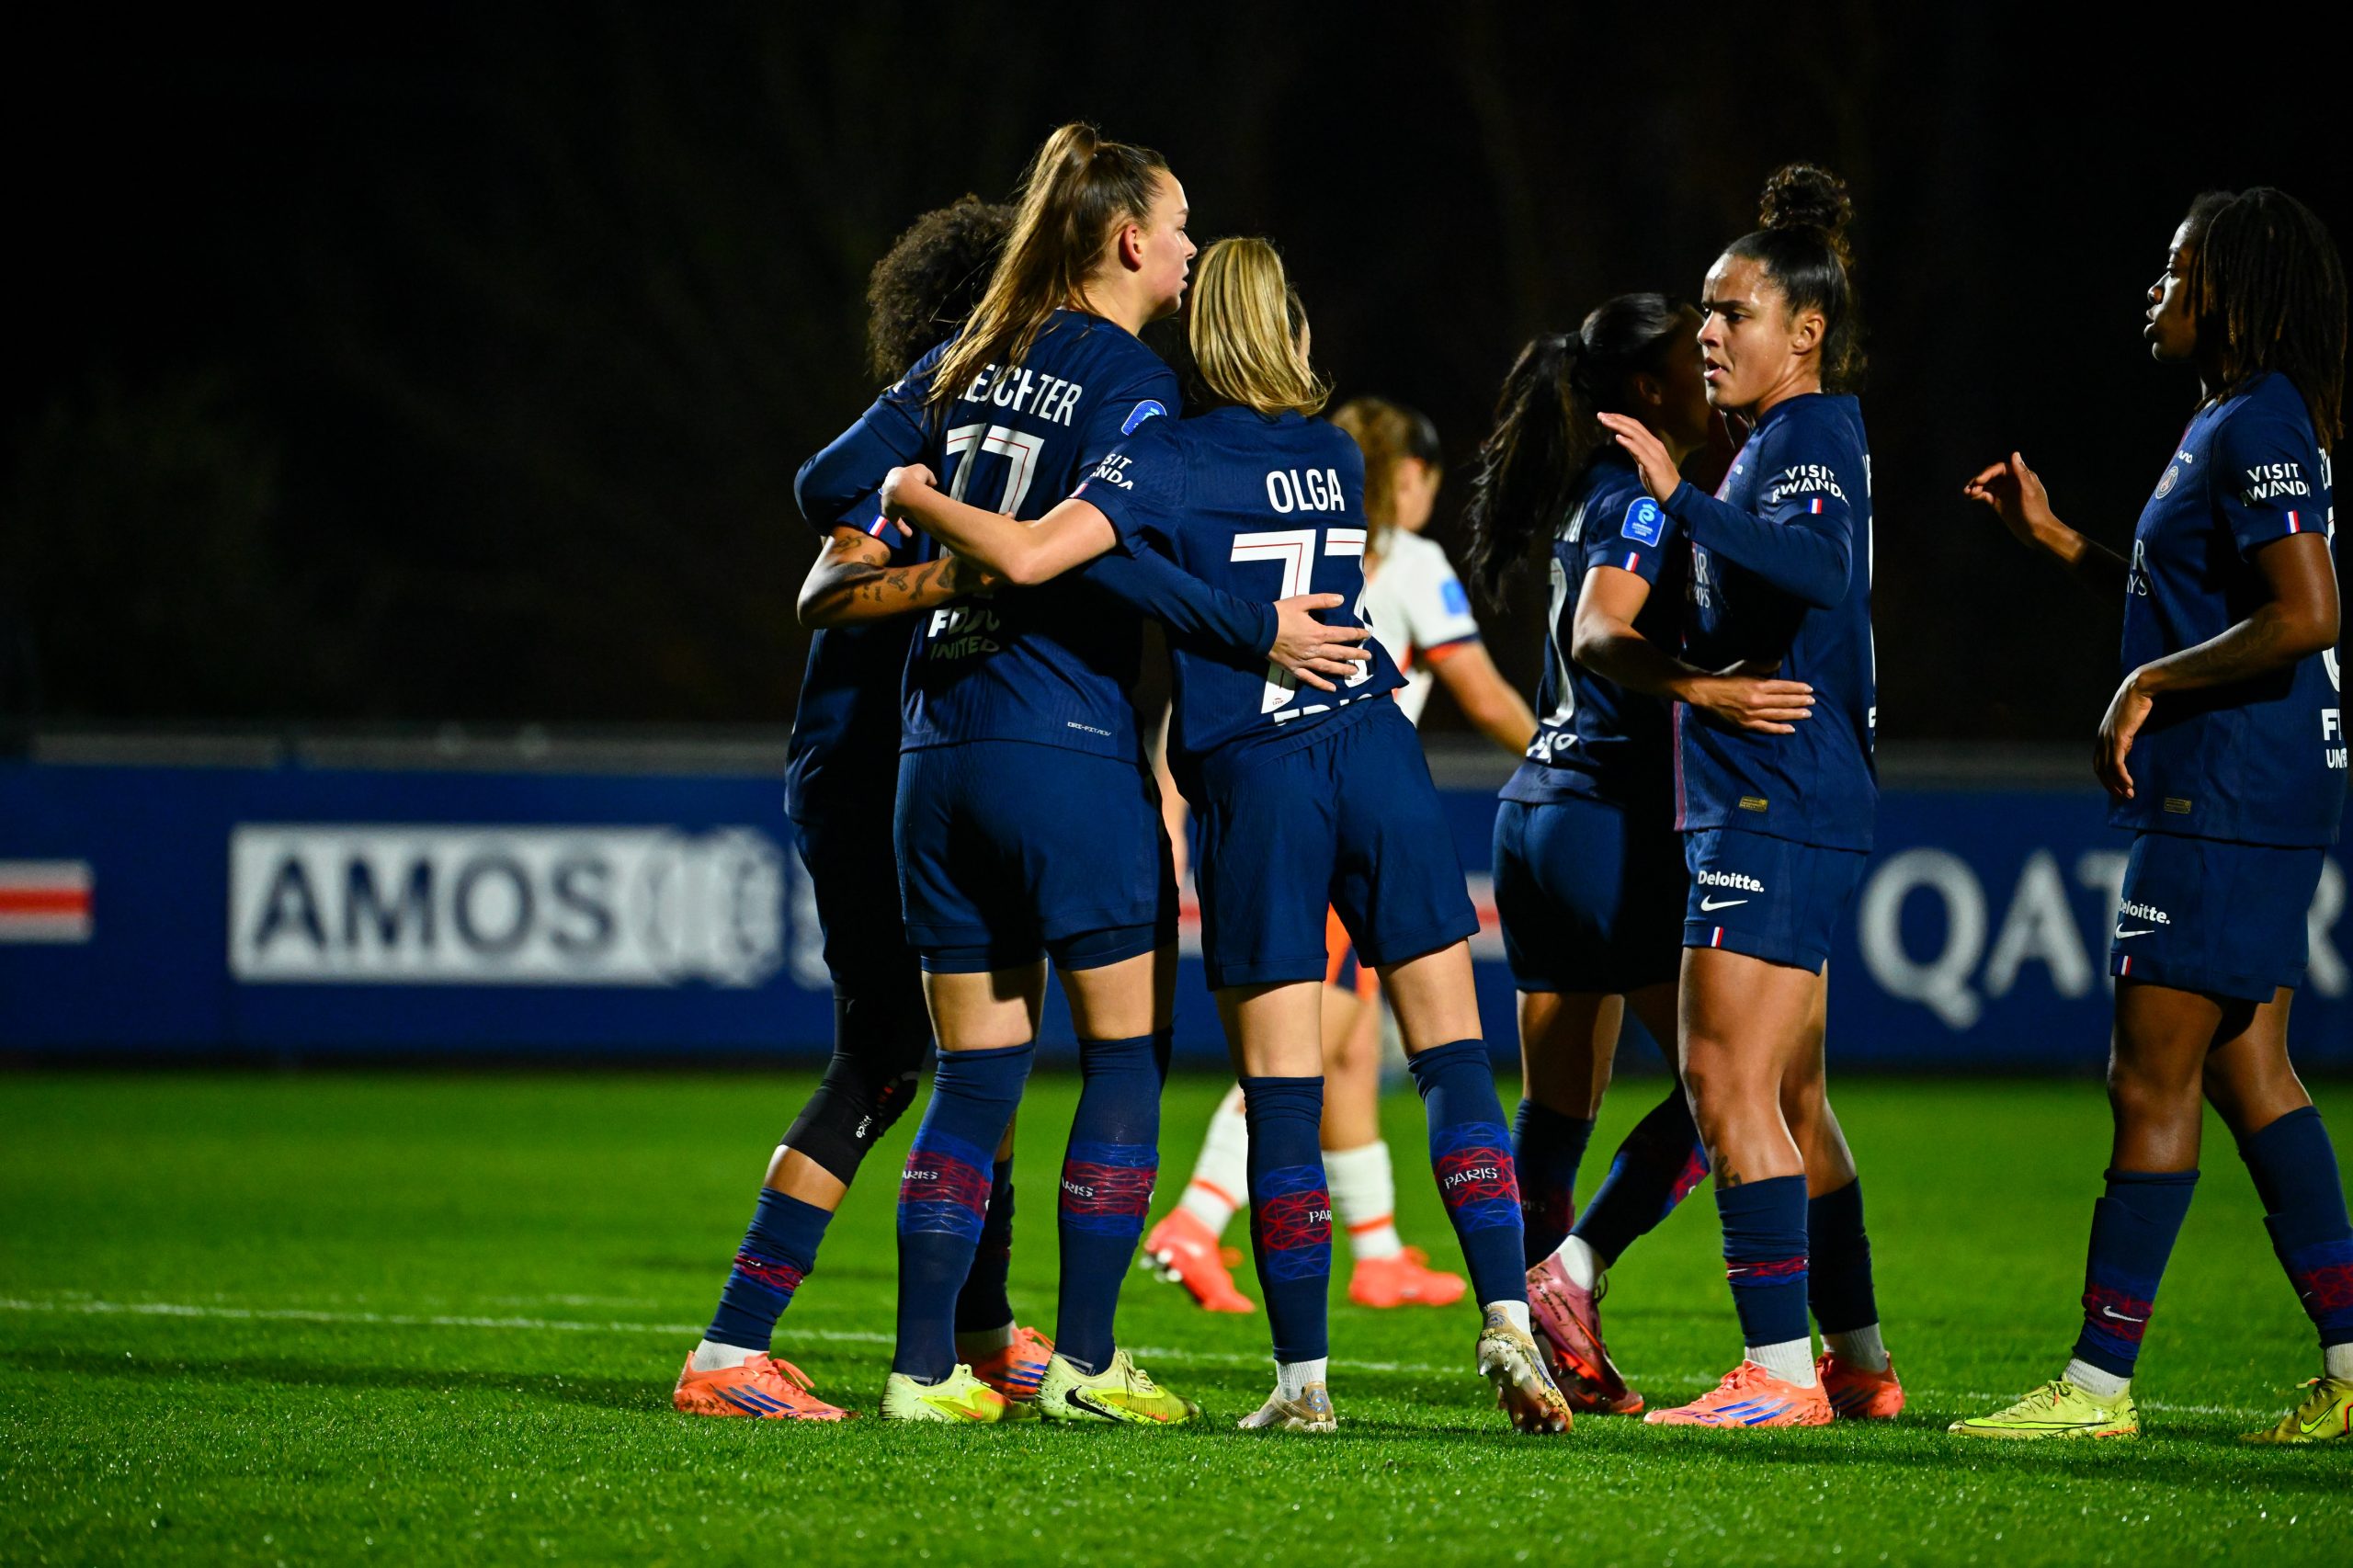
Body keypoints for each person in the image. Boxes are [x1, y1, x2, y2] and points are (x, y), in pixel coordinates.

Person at [880, 235, 1577, 1435]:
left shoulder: (1163, 455)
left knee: (1285, 1094)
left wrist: (921, 495)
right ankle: (1509, 1314)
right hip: (1376, 754)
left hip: (1261, 787)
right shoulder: (1329, 454)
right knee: (1456, 1061)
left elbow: (1049, 557)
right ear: (1288, 332)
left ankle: (1304, 1382)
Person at [796, 123, 1372, 1426]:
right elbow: (1082, 553)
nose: (1185, 250)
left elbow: (825, 482)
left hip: (933, 752)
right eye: (1176, 228)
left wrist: (912, 519)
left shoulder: (964, 357)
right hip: (1064, 751)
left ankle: (922, 1371)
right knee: (1125, 1052)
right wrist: (1250, 622)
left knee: (975, 1075)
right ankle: (1090, 1361)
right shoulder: (1130, 385)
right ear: (1127, 241)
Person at [1954, 187, 2350, 1444]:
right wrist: (2065, 540)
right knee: (2251, 1072)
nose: (2155, 290)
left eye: (2176, 270)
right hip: (2243, 785)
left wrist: (2145, 682)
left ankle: (2097, 1387)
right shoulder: (2232, 421)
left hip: (2224, 791)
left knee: (2147, 1075)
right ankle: (2351, 1362)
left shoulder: (2260, 421)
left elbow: (2307, 610)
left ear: (2229, 291)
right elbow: (2194, 598)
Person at [673, 197, 1025, 1424]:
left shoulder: (984, 445)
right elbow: (825, 491)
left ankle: (983, 1327)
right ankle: (730, 1348)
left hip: (923, 769)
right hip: (868, 773)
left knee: (989, 1048)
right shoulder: (918, 442)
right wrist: (967, 559)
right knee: (886, 1056)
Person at [1597, 165, 1899, 1428]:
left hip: (1772, 799)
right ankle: (1856, 1360)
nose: (1708, 332)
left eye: (1735, 311)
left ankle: (1776, 1370)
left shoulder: (1810, 434)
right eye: (1705, 311)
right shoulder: (1776, 445)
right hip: (1780, 794)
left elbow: (1821, 573)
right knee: (1791, 1099)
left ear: (1806, 331)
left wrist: (1678, 500)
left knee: (1727, 1082)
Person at [1141, 398, 1534, 1319]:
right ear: (1414, 476)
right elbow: (1475, 687)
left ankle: (1377, 1245)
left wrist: (1167, 798)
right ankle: (1197, 1219)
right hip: (1345, 799)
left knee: (1349, 1049)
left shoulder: (1278, 530)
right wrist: (1564, 756)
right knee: (1309, 1049)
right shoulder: (1412, 563)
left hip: (1273, 788)